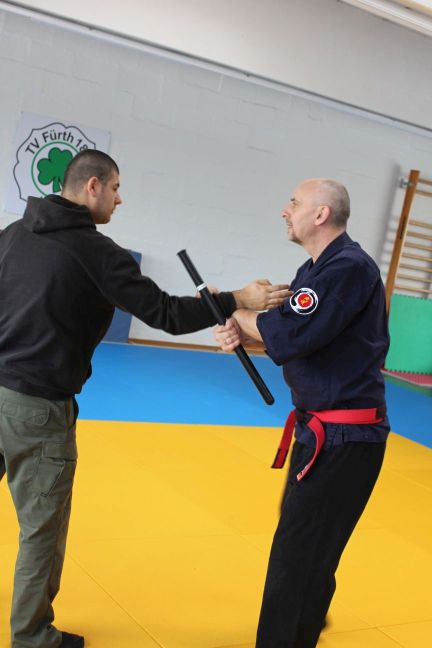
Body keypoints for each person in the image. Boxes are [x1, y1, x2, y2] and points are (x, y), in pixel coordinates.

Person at [0, 149, 290, 648]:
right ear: (92, 186)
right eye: (115, 188)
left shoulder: (13, 234)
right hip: (37, 409)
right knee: (41, 533)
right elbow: (166, 315)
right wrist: (238, 299)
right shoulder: (96, 250)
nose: (120, 199)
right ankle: (31, 638)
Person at [214, 178, 390, 648]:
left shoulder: (347, 269)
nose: (285, 210)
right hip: (324, 435)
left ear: (320, 214)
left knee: (297, 556)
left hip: (344, 441)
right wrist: (244, 334)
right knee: (307, 549)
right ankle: (302, 629)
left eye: (294, 202)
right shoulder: (317, 268)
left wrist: (232, 310)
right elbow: (301, 340)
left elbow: (291, 335)